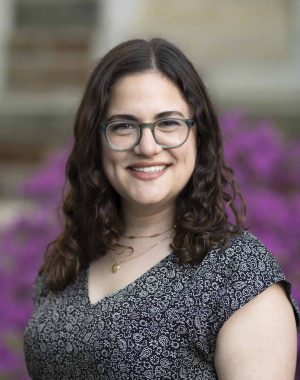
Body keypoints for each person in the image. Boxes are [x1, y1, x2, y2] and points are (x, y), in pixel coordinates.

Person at [23, 38, 299, 379]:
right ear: (97, 141)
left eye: (168, 123)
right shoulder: (68, 262)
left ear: (200, 135)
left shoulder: (239, 276)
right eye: (124, 125)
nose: (148, 146)